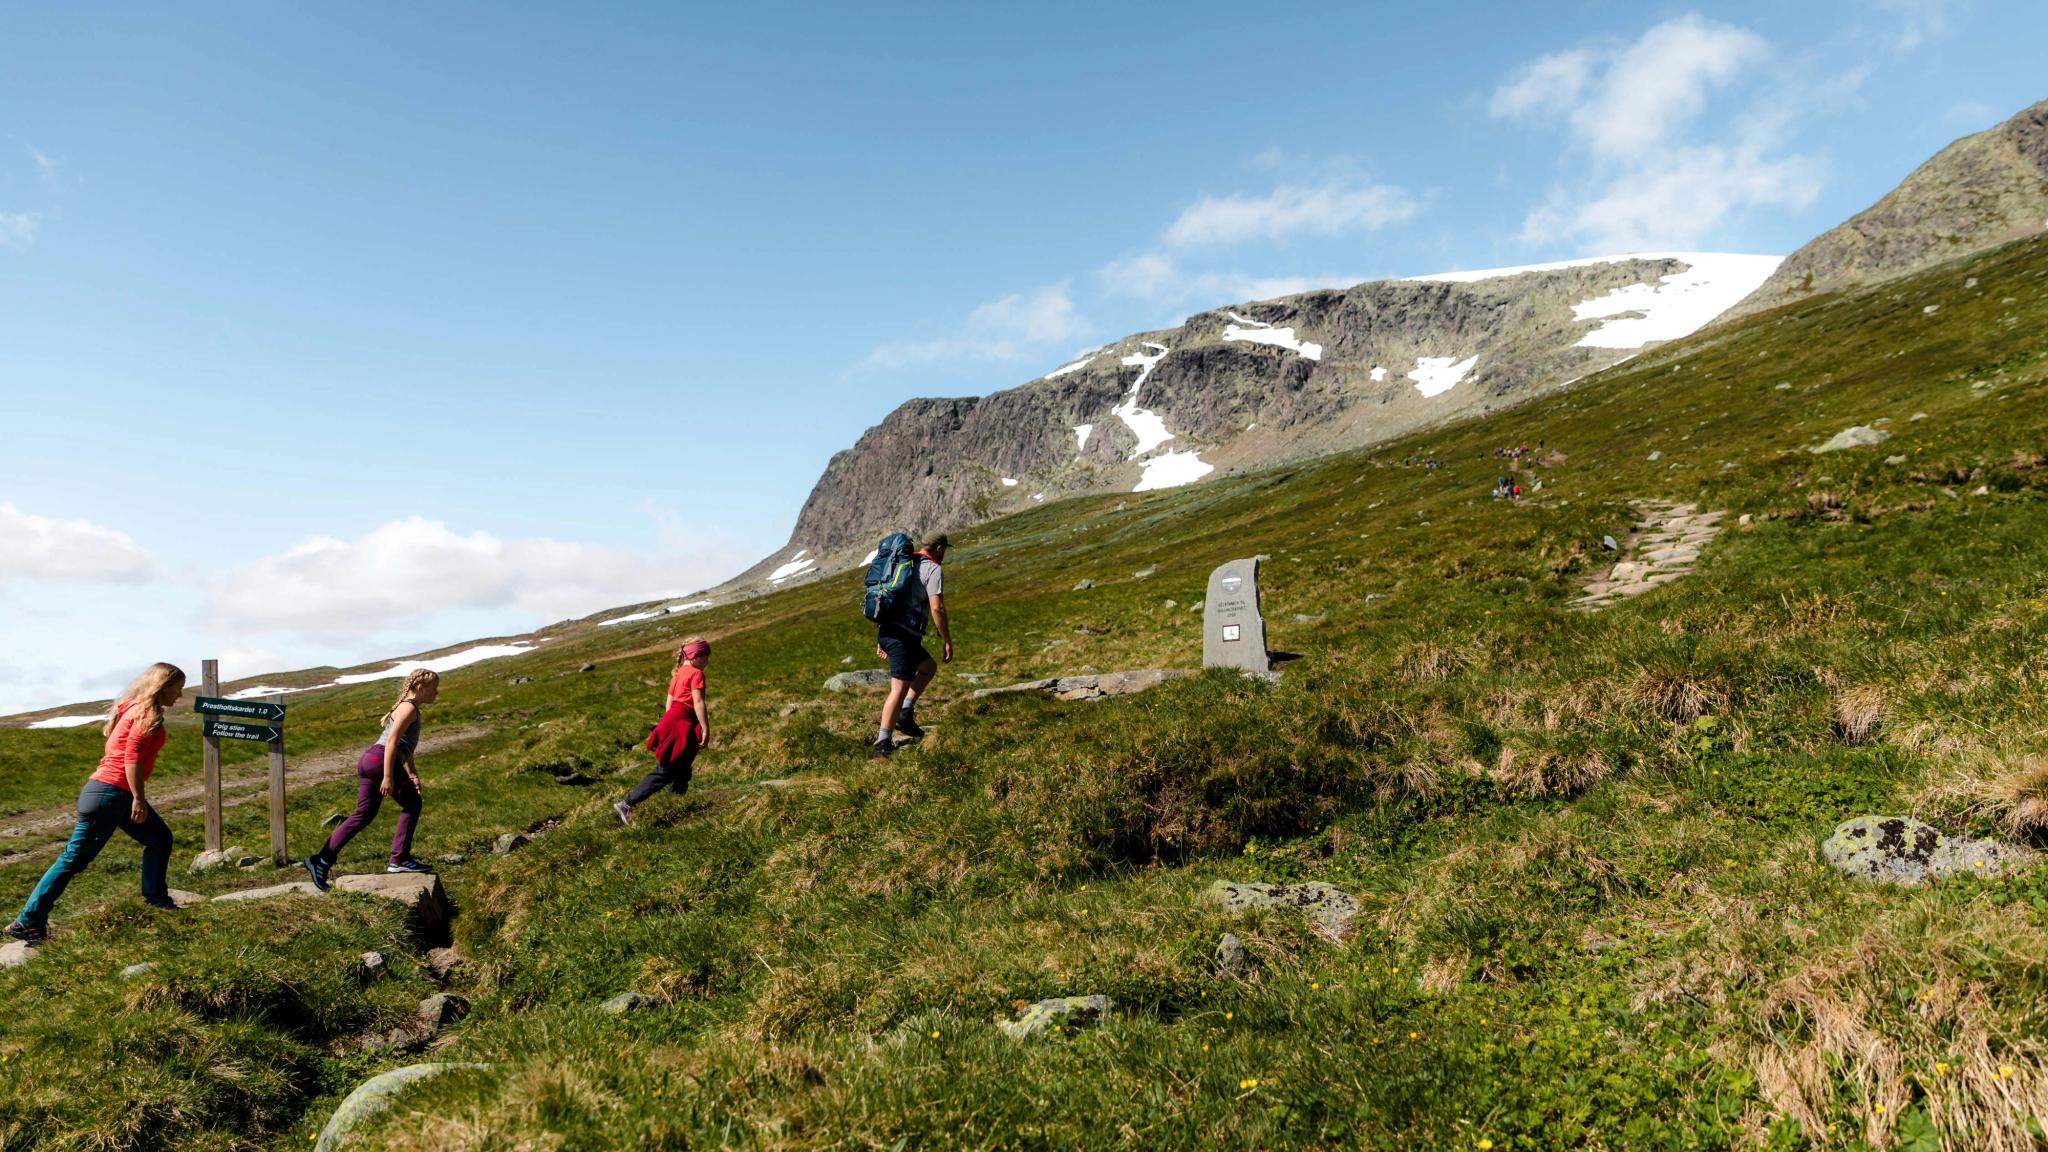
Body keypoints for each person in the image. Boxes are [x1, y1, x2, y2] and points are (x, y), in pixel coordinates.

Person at [6, 663, 186, 944]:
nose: (181, 695)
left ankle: (157, 900)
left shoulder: (130, 707)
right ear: (164, 687)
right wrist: (138, 797)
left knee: (159, 839)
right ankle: (28, 920)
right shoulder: (146, 714)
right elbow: (132, 757)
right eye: (178, 688)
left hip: (107, 792)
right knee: (73, 859)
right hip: (111, 794)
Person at [302, 669, 439, 889]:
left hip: (370, 760)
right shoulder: (409, 708)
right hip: (381, 762)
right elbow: (392, 743)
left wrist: (412, 773)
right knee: (413, 804)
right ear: (421, 688)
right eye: (434, 688)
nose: (437, 693)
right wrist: (387, 776)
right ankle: (399, 859)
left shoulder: (407, 707)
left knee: (363, 815)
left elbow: (405, 747)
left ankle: (321, 859)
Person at [614, 637, 711, 825]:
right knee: (667, 769)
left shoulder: (679, 672)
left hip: (673, 720)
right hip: (682, 721)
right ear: (695, 656)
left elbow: (670, 701)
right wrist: (705, 728)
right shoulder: (696, 674)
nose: (707, 660)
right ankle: (627, 803)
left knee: (682, 767)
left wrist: (669, 724)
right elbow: (698, 702)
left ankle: (675, 805)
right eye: (705, 656)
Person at [873, 533, 951, 758]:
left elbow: (886, 599)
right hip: (903, 636)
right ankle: (882, 742)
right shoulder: (933, 569)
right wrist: (946, 639)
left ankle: (905, 713)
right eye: (944, 550)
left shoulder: (902, 564)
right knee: (898, 688)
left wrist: (881, 638)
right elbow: (937, 608)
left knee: (928, 667)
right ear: (938, 548)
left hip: (888, 631)